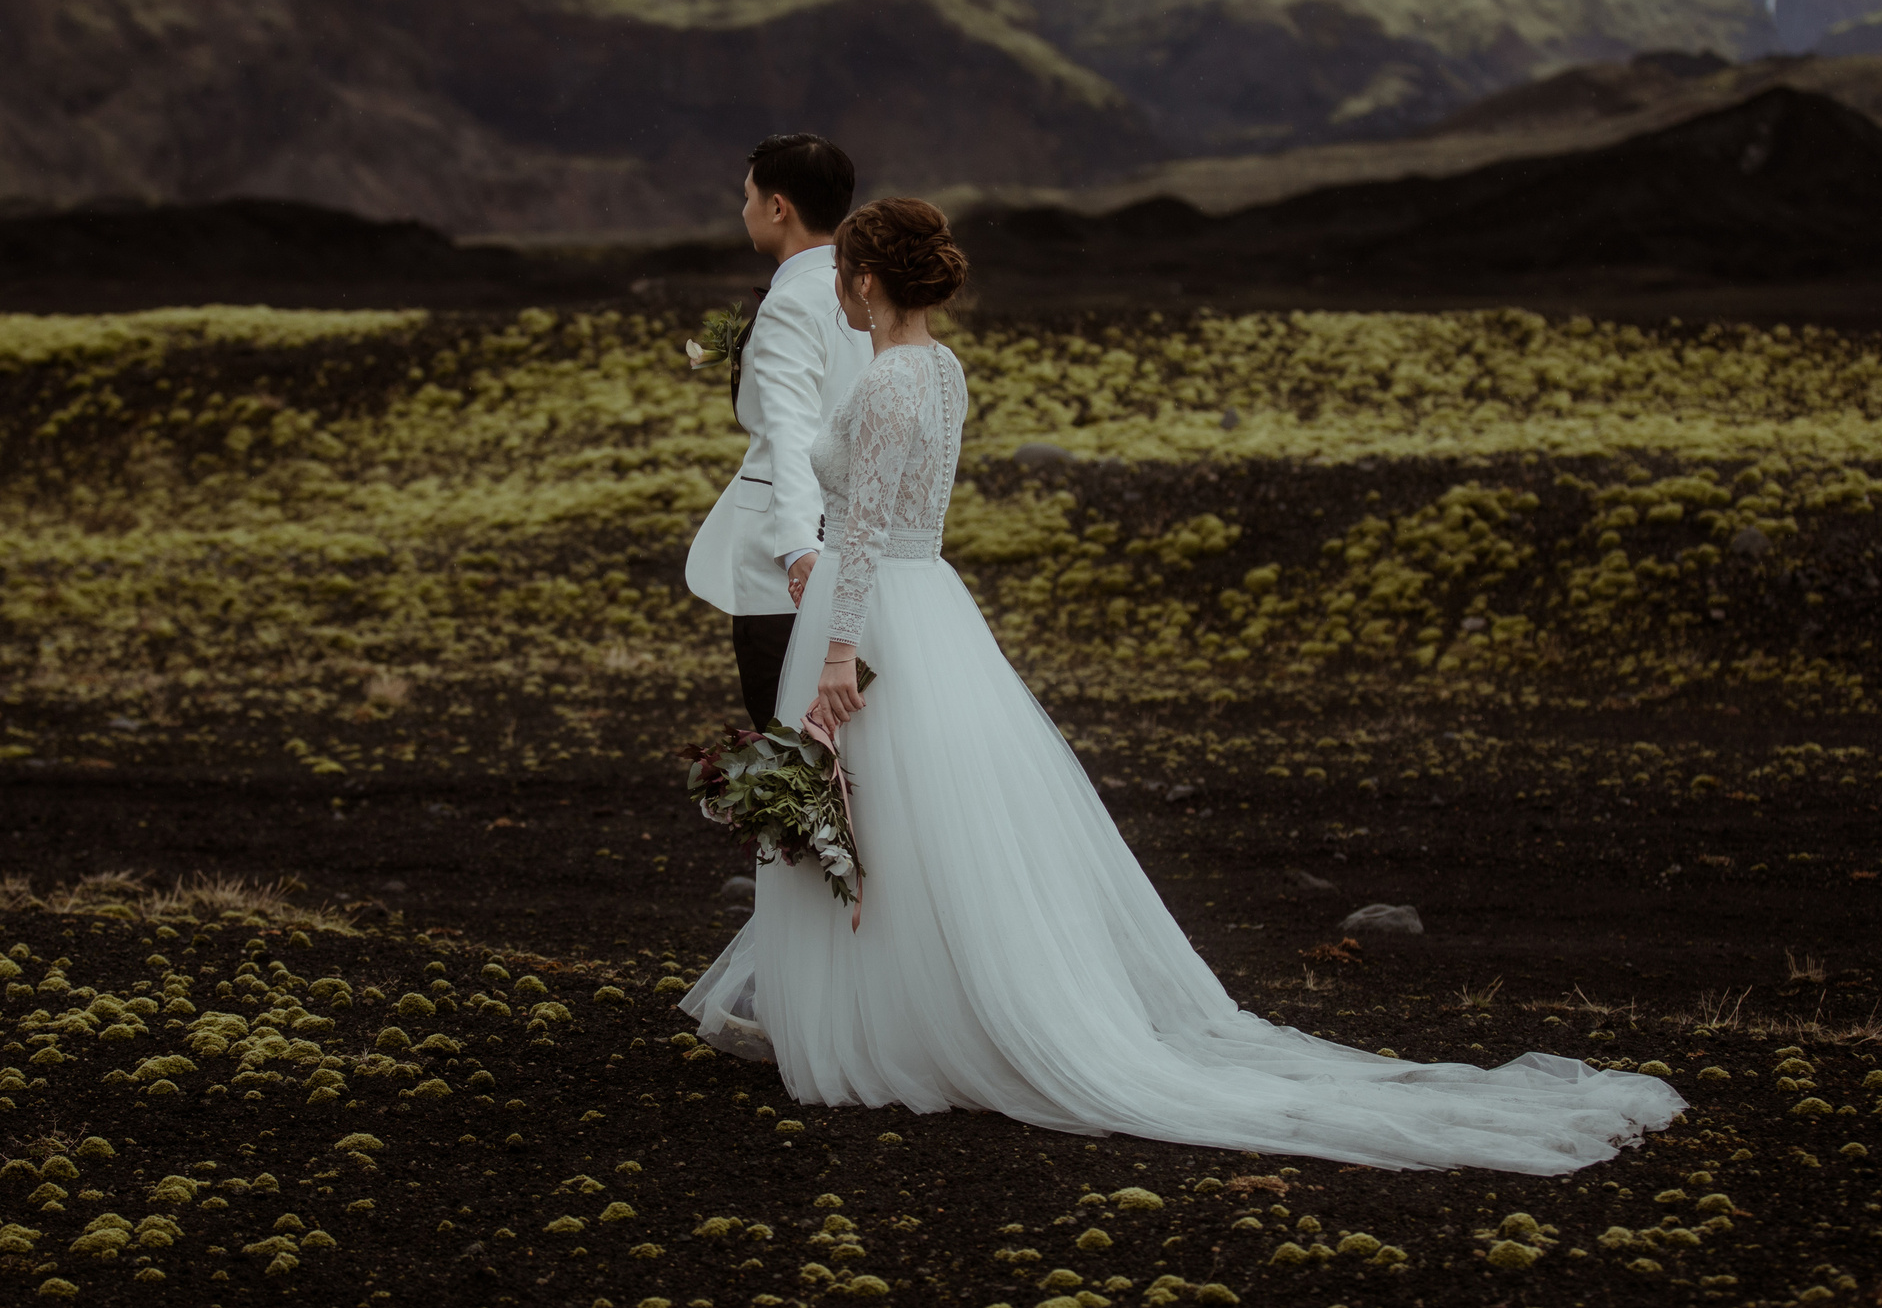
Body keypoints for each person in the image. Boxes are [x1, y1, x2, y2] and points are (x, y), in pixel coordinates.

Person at [680, 198, 1684, 1174]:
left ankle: (904, 1024)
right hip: (923, 599)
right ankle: (907, 1006)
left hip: (878, 609)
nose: (839, 297)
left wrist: (842, 654)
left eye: (844, 280)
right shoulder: (938, 371)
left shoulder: (895, 380)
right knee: (918, 822)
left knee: (887, 817)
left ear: (861, 278)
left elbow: (860, 530)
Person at [684, 134, 872, 731]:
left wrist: (796, 547)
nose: (742, 211)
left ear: (777, 207)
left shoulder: (790, 303)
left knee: (792, 746)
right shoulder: (863, 295)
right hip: (858, 542)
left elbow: (794, 432)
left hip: (785, 569)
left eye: (747, 197)